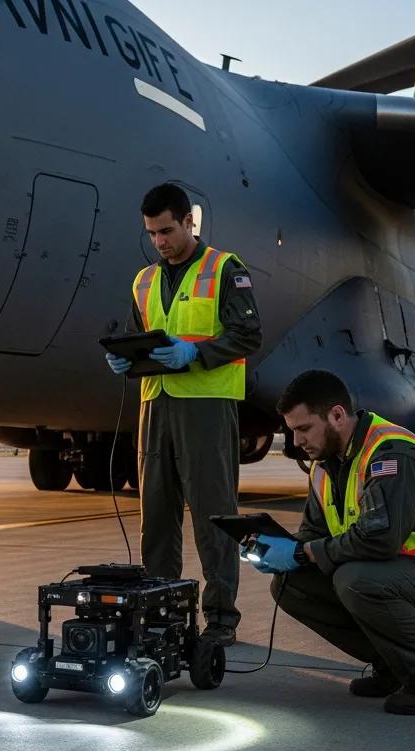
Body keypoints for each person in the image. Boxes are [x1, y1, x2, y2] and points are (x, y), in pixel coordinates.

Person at [246, 369, 415, 715]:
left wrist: (301, 551)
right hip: (408, 575)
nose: (296, 442)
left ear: (337, 415)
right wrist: (274, 548)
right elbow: (315, 533)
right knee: (290, 584)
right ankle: (393, 666)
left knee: (355, 580)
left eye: (303, 428)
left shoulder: (391, 455)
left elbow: (379, 542)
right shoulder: (324, 467)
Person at [106, 182, 262, 645]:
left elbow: (248, 335)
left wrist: (192, 354)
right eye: (152, 233)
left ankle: (220, 619)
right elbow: (143, 340)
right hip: (155, 406)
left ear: (189, 222)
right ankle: (160, 609)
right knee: (155, 517)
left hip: (207, 406)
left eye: (167, 230)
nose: (160, 241)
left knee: (213, 517)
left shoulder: (225, 268)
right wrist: (123, 360)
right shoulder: (143, 280)